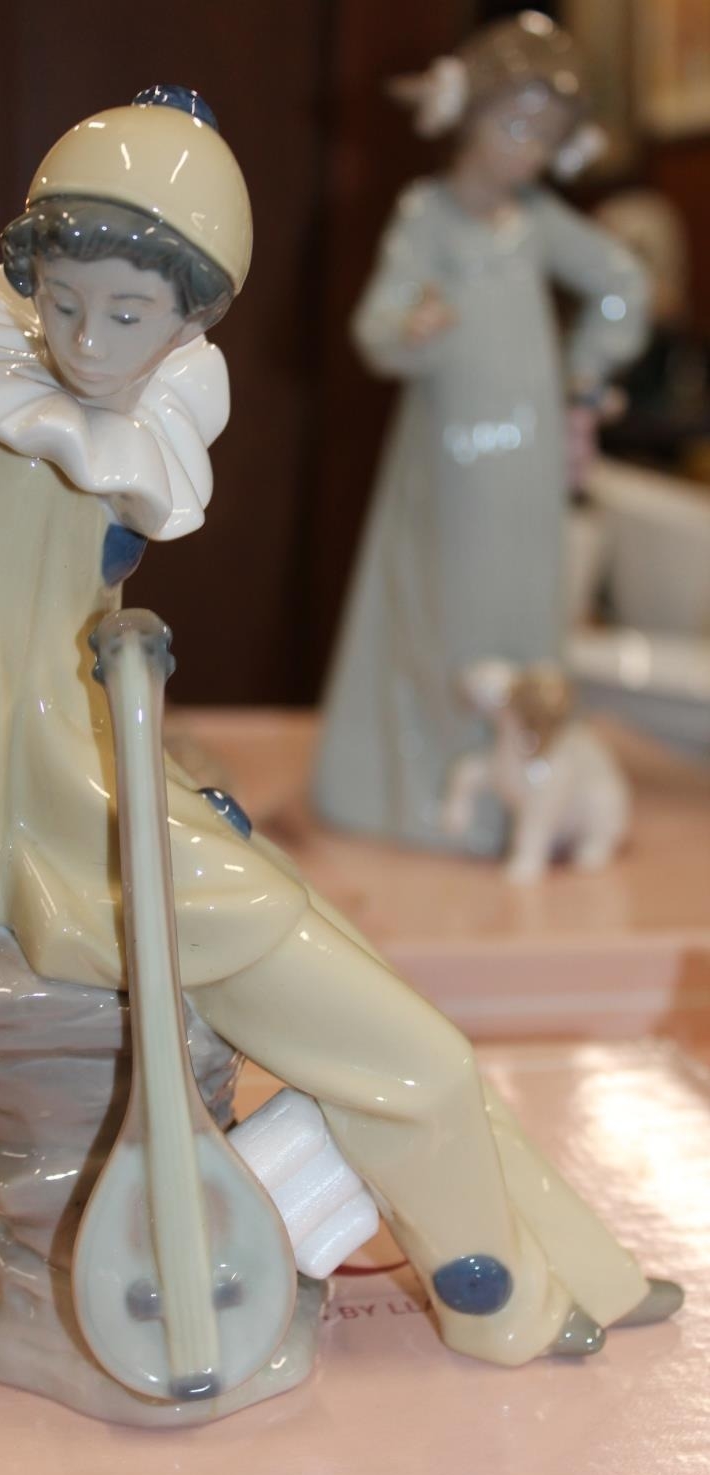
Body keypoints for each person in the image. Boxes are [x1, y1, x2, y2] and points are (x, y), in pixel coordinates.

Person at [0, 85, 678, 1398]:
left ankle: (570, 1270)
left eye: (129, 314)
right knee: (411, 1054)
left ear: (191, 317)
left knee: (409, 1035)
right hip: (70, 835)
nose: (87, 341)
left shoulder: (106, 420)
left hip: (118, 786)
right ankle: (504, 1299)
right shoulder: (17, 437)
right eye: (65, 303)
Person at [314, 12, 650, 854]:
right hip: (449, 456)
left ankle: (522, 782)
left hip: (528, 456)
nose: (525, 150)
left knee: (524, 611)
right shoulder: (427, 215)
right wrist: (412, 326)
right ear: (466, 114)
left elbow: (622, 283)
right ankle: (428, 789)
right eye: (513, 124)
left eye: (546, 135)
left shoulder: (536, 222)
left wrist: (586, 377)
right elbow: (374, 327)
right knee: (442, 613)